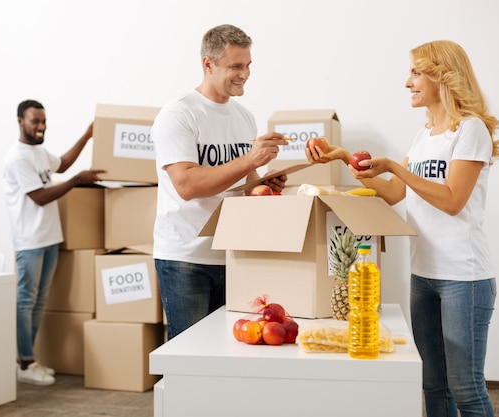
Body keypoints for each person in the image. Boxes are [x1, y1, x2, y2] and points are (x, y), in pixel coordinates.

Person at [307, 40, 498, 417]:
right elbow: (394, 193)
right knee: (432, 384)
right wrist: (345, 156)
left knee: (466, 388)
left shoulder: (470, 130)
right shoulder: (424, 136)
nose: (407, 82)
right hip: (423, 274)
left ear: (442, 76)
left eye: (415, 72)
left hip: (464, 278)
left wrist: (397, 166)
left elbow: (451, 199)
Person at [152, 24, 288, 341]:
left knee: (227, 354)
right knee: (189, 355)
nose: (245, 74)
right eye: (235, 66)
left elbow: (246, 183)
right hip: (186, 257)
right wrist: (249, 161)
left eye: (248, 65)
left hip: (232, 253)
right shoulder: (179, 114)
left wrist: (267, 184)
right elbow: (186, 185)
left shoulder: (244, 117)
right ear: (208, 65)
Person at [3, 99, 105, 386]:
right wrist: (77, 180)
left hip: (49, 237)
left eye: (44, 121)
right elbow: (39, 196)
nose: (40, 126)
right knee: (26, 301)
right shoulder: (17, 157)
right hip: (29, 239)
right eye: (35, 121)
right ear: (20, 121)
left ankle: (29, 361)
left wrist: (86, 136)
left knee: (38, 302)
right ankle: (23, 362)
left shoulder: (37, 152)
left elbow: (62, 164)